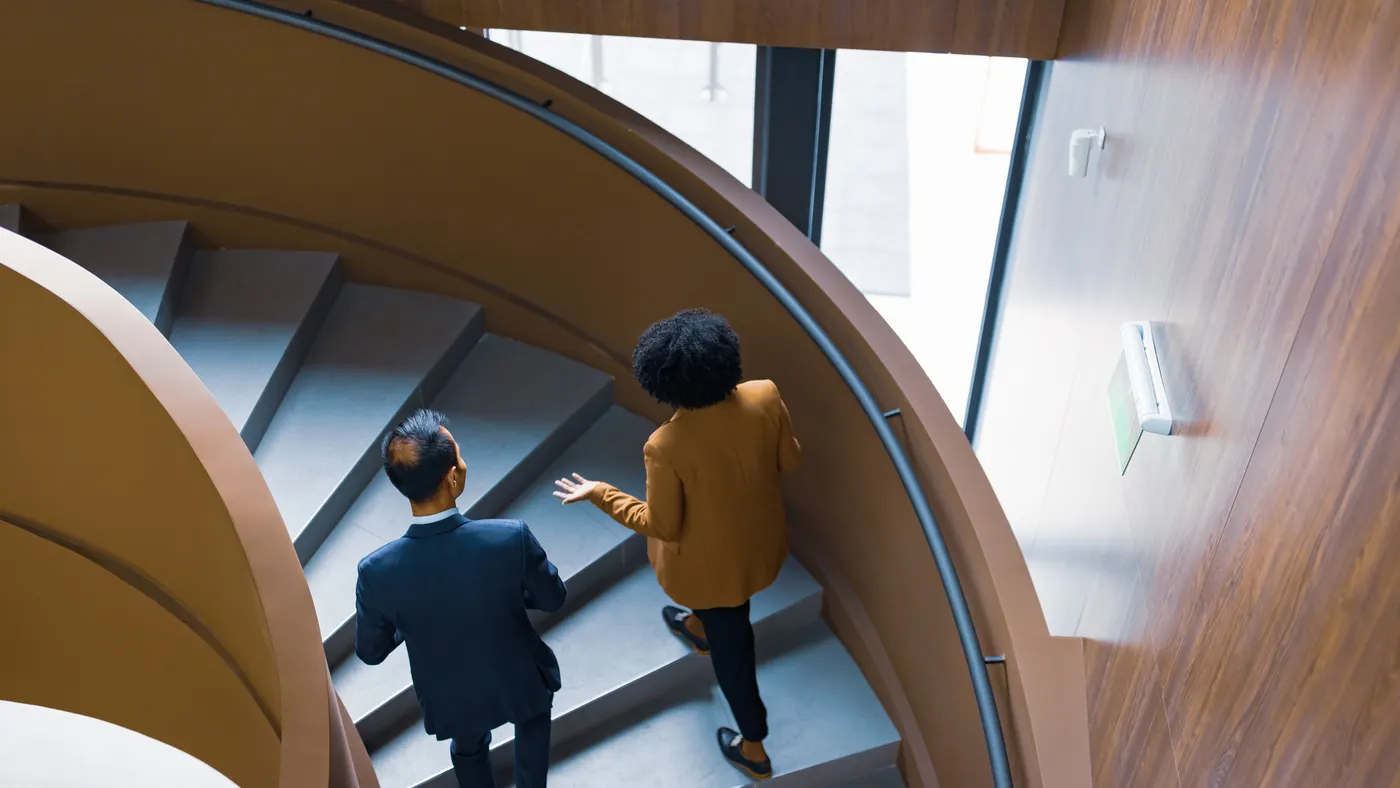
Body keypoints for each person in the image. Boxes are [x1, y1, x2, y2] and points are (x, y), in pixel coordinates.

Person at [553, 308, 801, 781]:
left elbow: (662, 525)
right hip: (761, 544)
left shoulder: (666, 445)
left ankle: (754, 749)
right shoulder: (765, 394)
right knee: (722, 621)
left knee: (735, 660)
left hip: (711, 575)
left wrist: (601, 493)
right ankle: (698, 627)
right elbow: (790, 460)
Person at [356, 409, 565, 788]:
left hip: (451, 695)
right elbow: (552, 598)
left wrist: (408, 620)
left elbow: (371, 651)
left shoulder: (377, 571)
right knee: (533, 723)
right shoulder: (509, 538)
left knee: (468, 748)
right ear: (453, 477)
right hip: (518, 676)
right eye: (460, 456)